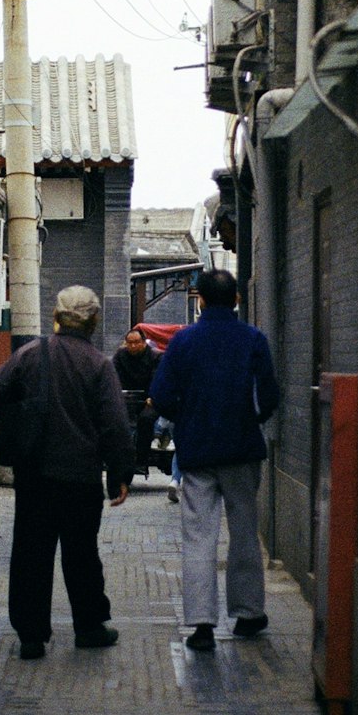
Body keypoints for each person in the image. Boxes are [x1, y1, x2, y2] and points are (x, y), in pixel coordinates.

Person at [0, 285, 134, 660]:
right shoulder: (99, 364)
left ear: (57, 316)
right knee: (81, 553)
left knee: (31, 553)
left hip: (34, 474)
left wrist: (26, 413)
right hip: (80, 476)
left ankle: (31, 637)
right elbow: (115, 425)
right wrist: (121, 472)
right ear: (93, 321)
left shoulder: (31, 353)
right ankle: (88, 627)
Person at [150, 267, 279, 651]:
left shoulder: (183, 342)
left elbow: (161, 394)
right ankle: (248, 614)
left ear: (200, 300)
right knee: (244, 532)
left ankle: (202, 624)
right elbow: (269, 395)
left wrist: (184, 420)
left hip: (198, 451)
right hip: (241, 451)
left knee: (198, 535)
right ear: (237, 299)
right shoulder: (254, 340)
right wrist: (250, 419)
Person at [112, 327, 159, 473]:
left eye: (137, 342)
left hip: (149, 399)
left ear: (144, 342)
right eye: (129, 343)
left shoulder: (155, 357)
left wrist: (153, 396)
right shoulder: (120, 355)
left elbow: (157, 379)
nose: (133, 346)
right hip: (125, 398)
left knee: (146, 419)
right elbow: (112, 376)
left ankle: (141, 459)